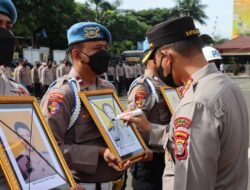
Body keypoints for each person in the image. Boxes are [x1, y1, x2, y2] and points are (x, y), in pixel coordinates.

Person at [123, 16, 249, 190]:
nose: (160, 69)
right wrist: (152, 129)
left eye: (158, 61)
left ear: (167, 57)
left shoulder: (196, 102)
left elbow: (191, 183)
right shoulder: (227, 85)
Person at [40, 22, 134, 190]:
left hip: (119, 181)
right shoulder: (63, 94)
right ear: (77, 54)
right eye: (97, 48)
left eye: (105, 47)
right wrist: (99, 152)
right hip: (85, 185)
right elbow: (48, 149)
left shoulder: (108, 88)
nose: (104, 54)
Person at [127, 38, 173, 190]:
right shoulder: (143, 87)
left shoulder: (164, 84)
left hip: (166, 155)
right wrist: (143, 151)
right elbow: (134, 124)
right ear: (153, 58)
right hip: (150, 162)